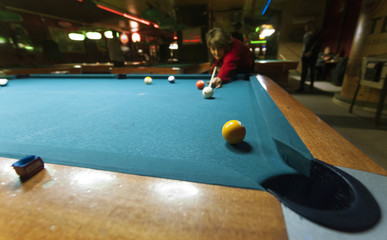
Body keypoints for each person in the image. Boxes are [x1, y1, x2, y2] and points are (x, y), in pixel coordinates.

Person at [297, 21, 321, 91]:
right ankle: (301, 86)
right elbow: (304, 46)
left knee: (312, 70)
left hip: (313, 55)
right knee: (304, 71)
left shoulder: (317, 34)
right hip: (305, 55)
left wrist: (311, 52)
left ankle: (311, 86)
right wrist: (303, 54)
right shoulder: (306, 35)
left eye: (308, 26)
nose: (306, 27)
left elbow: (317, 44)